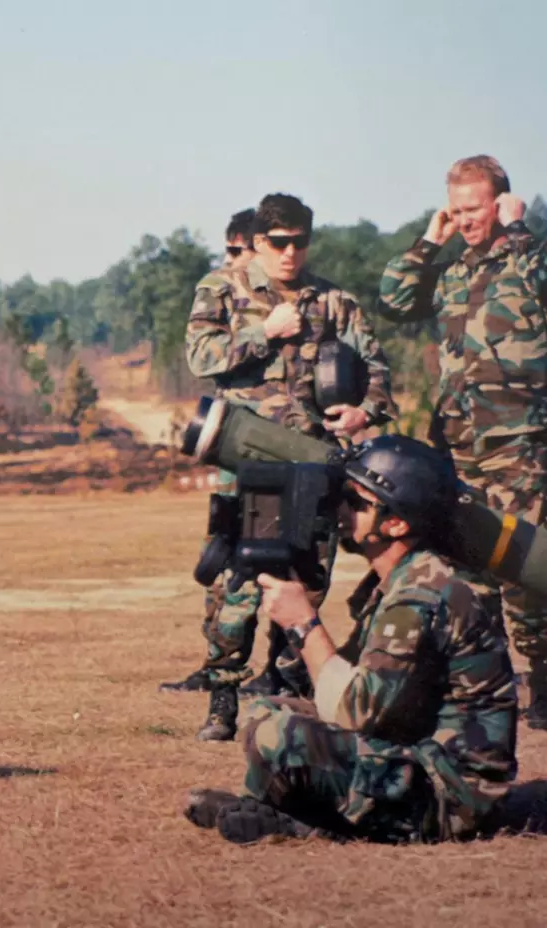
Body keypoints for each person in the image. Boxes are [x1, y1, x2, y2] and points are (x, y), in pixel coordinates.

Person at [184, 434, 519, 845]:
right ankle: (266, 810)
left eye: (356, 502)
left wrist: (305, 624)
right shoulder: (399, 581)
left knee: (281, 735)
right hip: (413, 750)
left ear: (396, 522)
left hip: (452, 795)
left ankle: (297, 824)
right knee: (267, 712)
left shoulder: (421, 595)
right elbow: (339, 685)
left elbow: (354, 711)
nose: (341, 510)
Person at [166, 195, 397, 742]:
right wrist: (263, 331)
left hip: (315, 463)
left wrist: (367, 409)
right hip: (247, 463)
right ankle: (223, 697)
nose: (290, 253)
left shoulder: (334, 300)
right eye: (279, 243)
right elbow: (200, 357)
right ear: (259, 242)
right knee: (237, 581)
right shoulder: (221, 288)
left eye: (300, 241)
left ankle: (290, 692)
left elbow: (377, 364)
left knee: (307, 580)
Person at [375, 155, 547, 731]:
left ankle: (541, 679)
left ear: (502, 203)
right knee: (465, 563)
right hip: (457, 441)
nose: (466, 220)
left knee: (525, 562)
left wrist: (518, 228)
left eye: (476, 208)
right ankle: (485, 684)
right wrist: (427, 240)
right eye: (457, 210)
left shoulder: (536, 256)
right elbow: (393, 300)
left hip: (517, 437)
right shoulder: (451, 273)